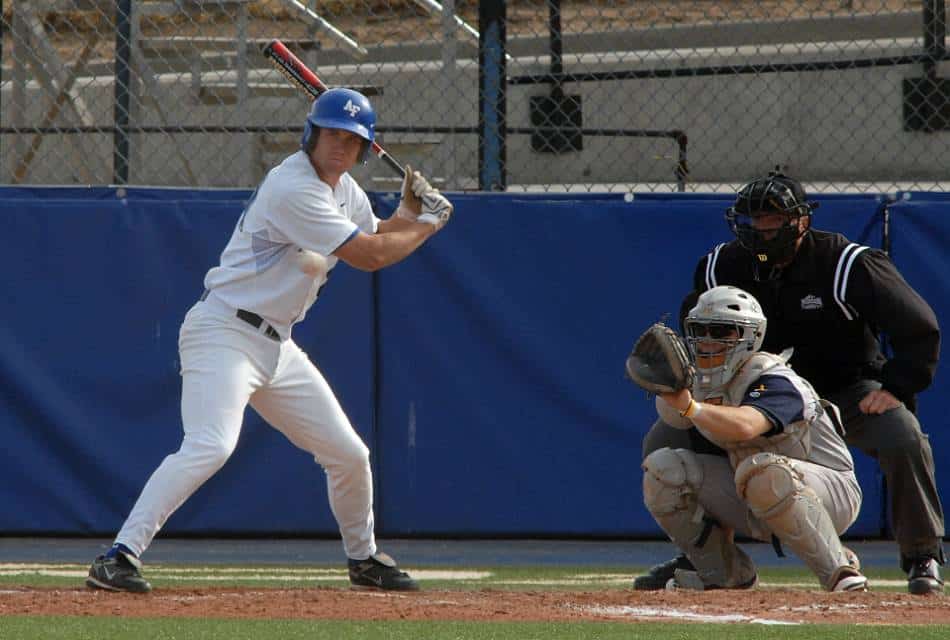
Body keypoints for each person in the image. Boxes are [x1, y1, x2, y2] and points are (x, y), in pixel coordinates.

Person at [85, 88, 453, 593]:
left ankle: (363, 558)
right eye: (331, 134)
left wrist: (411, 212)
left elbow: (383, 231)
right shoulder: (293, 185)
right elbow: (369, 255)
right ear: (312, 134)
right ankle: (118, 555)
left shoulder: (346, 192)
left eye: (351, 140)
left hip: (276, 345)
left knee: (349, 454)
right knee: (211, 445)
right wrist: (429, 225)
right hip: (224, 333)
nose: (339, 147)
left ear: (364, 150)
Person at [636, 170, 944, 595]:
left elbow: (919, 326)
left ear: (801, 220)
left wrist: (897, 386)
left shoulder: (846, 264)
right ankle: (709, 556)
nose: (761, 230)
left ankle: (922, 554)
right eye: (752, 220)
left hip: (845, 387)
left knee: (902, 434)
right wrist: (687, 383)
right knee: (664, 440)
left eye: (773, 219)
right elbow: (702, 332)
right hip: (750, 388)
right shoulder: (721, 266)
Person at [642, 285, 867, 591]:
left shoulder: (773, 378)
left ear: (749, 335)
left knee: (762, 470)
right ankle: (725, 574)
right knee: (663, 470)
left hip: (830, 492)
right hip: (753, 489)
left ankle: (840, 572)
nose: (708, 340)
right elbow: (671, 422)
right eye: (700, 329)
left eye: (722, 330)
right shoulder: (700, 384)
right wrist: (665, 387)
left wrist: (690, 406)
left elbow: (746, 426)